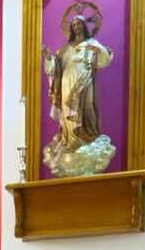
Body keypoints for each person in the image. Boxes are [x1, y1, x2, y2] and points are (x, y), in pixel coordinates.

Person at [42, 14, 115, 176]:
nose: (76, 27)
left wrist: (98, 50)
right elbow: (54, 68)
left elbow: (104, 60)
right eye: (73, 25)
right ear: (71, 28)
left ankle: (87, 138)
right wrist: (48, 58)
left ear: (84, 26)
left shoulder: (91, 43)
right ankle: (71, 142)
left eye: (79, 24)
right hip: (67, 83)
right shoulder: (65, 49)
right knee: (68, 113)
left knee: (87, 107)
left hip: (85, 81)